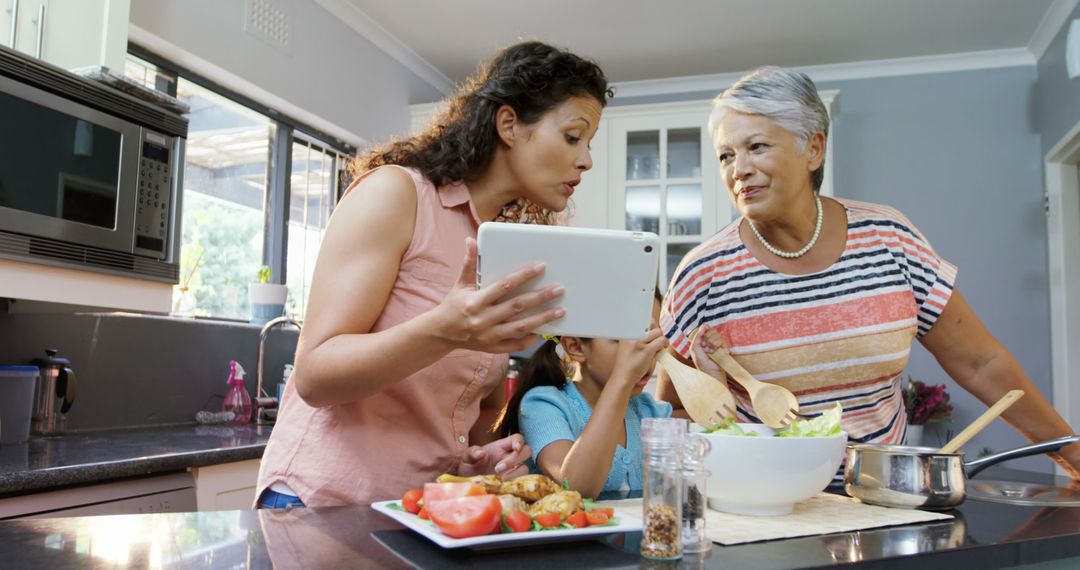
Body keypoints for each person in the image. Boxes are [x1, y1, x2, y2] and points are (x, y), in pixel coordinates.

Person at [659, 66, 1080, 481]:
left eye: (756, 146)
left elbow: (982, 364)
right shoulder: (703, 273)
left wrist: (1072, 454)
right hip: (762, 502)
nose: (739, 169)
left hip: (883, 496)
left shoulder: (889, 238)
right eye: (726, 155)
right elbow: (671, 412)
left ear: (814, 149)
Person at [255, 41, 613, 508]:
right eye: (572, 137)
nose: (586, 159)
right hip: (323, 502)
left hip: (421, 513)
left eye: (588, 144)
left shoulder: (502, 249)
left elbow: (469, 410)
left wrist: (478, 455)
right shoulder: (397, 195)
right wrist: (444, 330)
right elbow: (316, 375)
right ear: (509, 125)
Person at [495, 293, 671, 498]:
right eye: (625, 340)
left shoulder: (649, 412)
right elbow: (576, 487)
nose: (644, 353)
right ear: (576, 346)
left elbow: (713, 437)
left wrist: (714, 368)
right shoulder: (543, 405)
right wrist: (622, 379)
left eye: (652, 338)